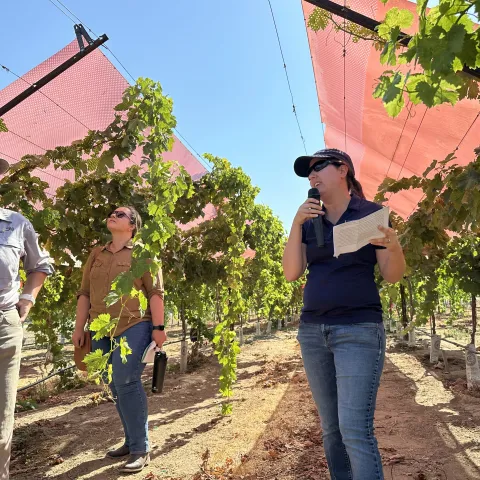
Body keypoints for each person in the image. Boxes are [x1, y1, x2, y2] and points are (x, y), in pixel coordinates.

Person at [283, 149, 406, 480]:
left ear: (343, 170)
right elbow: (292, 272)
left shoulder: (371, 214)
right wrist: (296, 224)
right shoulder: (309, 222)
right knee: (331, 430)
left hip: (359, 330)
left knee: (354, 428)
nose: (312, 175)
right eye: (308, 173)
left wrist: (393, 247)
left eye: (318, 167)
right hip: (313, 332)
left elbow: (392, 275)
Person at [72, 206, 166, 474]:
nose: (113, 214)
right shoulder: (96, 254)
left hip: (134, 325)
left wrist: (158, 327)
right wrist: (79, 328)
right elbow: (85, 293)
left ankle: (140, 448)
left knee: (126, 380)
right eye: (113, 212)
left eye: (121, 214)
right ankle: (130, 440)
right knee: (112, 383)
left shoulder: (144, 255)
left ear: (132, 226)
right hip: (101, 327)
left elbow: (155, 293)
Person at [0, 158, 54, 480]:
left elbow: (41, 264)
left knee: (2, 417)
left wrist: (27, 298)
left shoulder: (16, 223)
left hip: (4, 327)